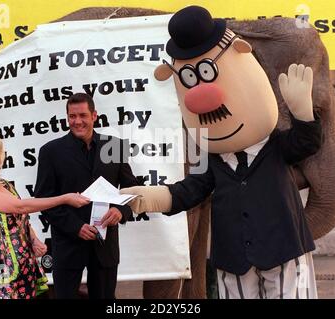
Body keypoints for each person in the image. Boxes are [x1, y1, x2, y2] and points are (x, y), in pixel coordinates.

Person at [121, 6, 322, 299]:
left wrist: (304, 114)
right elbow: (187, 192)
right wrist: (144, 198)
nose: (201, 99)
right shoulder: (212, 161)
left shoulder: (276, 146)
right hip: (234, 259)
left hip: (284, 250)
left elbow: (307, 143)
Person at [0, 127, 89, 299]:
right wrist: (64, 198)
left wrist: (33, 240)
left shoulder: (5, 185)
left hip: (22, 267)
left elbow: (21, 217)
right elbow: (20, 207)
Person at [34, 92, 138, 299]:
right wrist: (75, 227)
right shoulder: (50, 152)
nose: (77, 121)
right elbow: (43, 200)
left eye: (82, 115)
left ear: (94, 116)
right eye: (72, 116)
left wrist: (121, 210)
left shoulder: (114, 146)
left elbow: (132, 189)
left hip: (105, 247)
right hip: (67, 245)